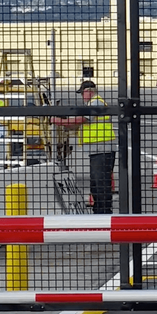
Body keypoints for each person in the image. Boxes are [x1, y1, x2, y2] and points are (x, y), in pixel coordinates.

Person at [52, 80, 116, 214]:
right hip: (97, 149)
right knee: (96, 182)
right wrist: (65, 124)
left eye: (82, 93)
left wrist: (60, 121)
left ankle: (103, 211)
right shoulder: (92, 103)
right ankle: (99, 210)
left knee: (100, 183)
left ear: (88, 91)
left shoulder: (96, 102)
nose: (82, 96)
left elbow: (82, 119)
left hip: (102, 148)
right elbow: (79, 124)